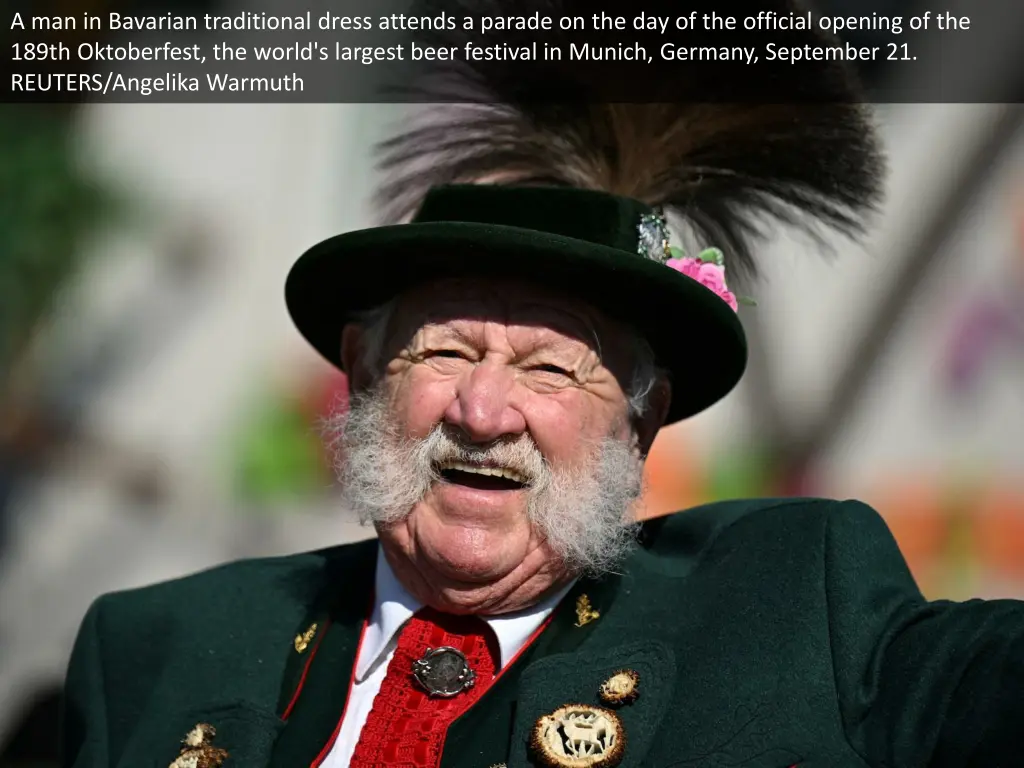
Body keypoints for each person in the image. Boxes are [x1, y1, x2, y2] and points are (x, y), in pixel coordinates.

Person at [61, 2, 1024, 767]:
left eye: (550, 369)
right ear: (360, 372)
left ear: (640, 421)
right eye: (442, 352)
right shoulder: (152, 646)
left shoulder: (788, 610)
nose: (482, 413)